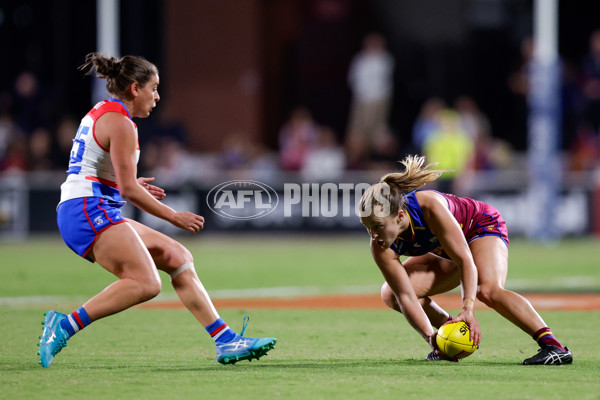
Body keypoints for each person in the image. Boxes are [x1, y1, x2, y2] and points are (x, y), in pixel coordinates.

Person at [38, 53, 276, 368]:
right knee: (146, 283)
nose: (158, 96)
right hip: (87, 210)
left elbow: (99, 170)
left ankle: (226, 340)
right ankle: (64, 325)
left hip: (87, 205)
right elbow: (128, 191)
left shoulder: (104, 112)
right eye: (154, 88)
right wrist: (173, 216)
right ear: (135, 88)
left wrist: (125, 183)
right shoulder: (122, 124)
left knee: (178, 257)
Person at [358, 155, 573, 365]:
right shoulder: (380, 246)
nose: (373, 235)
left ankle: (553, 346)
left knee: (486, 290)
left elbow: (465, 260)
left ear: (400, 216)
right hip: (447, 250)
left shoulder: (430, 207)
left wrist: (468, 308)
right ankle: (452, 331)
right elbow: (405, 295)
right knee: (391, 294)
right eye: (368, 227)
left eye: (378, 226)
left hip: (480, 226)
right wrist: (431, 336)